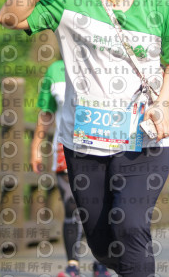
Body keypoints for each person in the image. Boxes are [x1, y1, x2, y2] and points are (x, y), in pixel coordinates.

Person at [0, 0, 169, 276]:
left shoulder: (162, 2)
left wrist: (162, 103)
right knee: (103, 245)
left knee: (131, 226)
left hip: (144, 137)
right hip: (84, 140)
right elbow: (8, 17)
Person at [30, 59, 110, 277]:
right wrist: (36, 146)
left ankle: (100, 262)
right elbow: (47, 112)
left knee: (99, 207)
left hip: (100, 145)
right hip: (64, 147)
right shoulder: (55, 70)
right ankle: (72, 265)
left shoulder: (103, 62)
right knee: (71, 206)